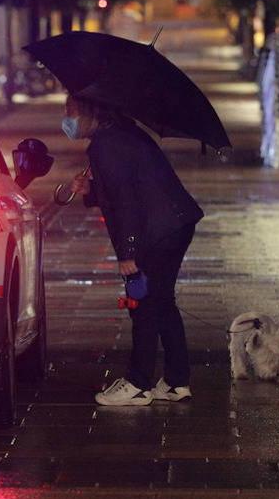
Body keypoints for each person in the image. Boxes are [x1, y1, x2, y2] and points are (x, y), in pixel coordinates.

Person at [63, 93, 204, 406]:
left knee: (141, 304)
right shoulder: (121, 134)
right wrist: (91, 190)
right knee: (162, 302)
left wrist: (128, 253)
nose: (66, 120)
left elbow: (127, 201)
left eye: (69, 111)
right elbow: (125, 188)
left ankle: (138, 383)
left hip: (156, 231)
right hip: (174, 224)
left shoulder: (105, 145)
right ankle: (176, 382)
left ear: (87, 111)